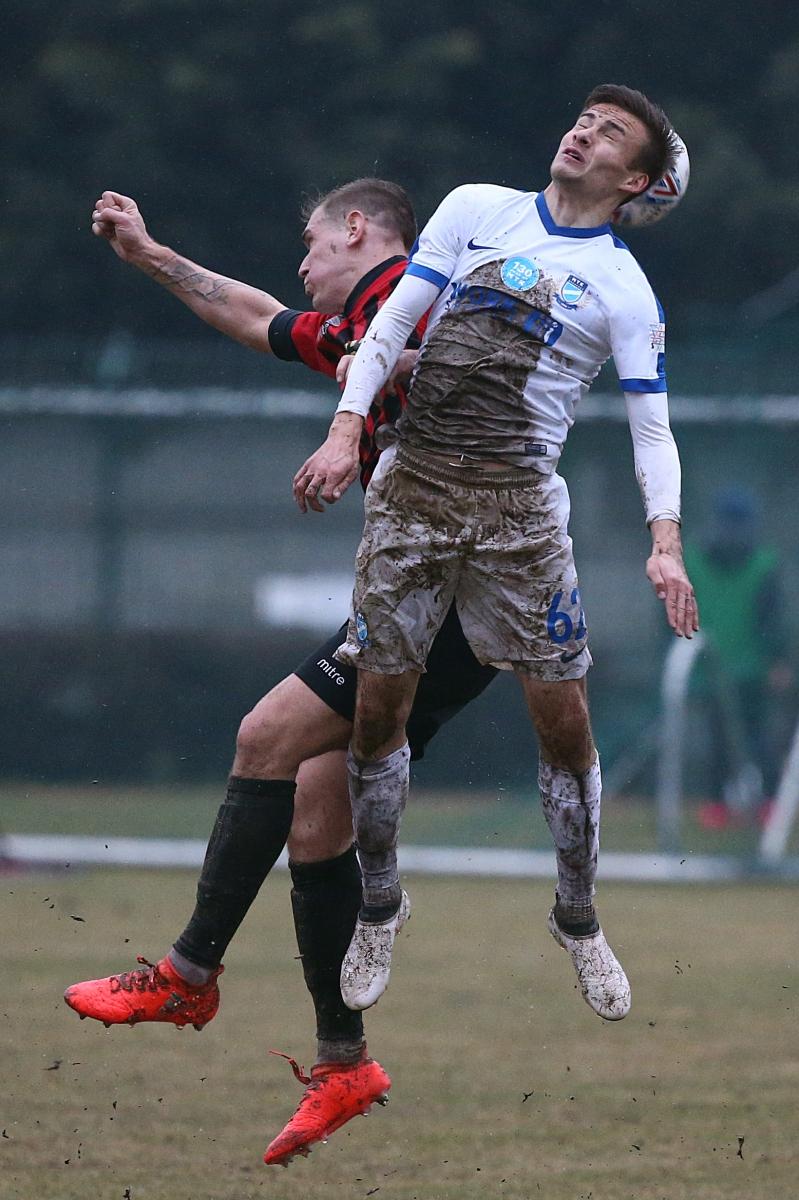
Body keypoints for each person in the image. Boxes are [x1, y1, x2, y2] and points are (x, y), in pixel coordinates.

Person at [63, 178, 501, 1166]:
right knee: (313, 803)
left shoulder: (426, 296)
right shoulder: (358, 324)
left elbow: (491, 369)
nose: (301, 265)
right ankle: (344, 1063)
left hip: (456, 596)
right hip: (428, 600)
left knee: (264, 735)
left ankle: (187, 974)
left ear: (359, 229)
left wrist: (375, 404)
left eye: (311, 243)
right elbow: (253, 313)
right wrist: (151, 255)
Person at [294, 83, 700, 1018]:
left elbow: (652, 429)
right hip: (412, 492)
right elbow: (392, 326)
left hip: (519, 516)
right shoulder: (476, 208)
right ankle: (380, 904)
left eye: (609, 133)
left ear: (633, 181)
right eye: (584, 119)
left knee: (564, 727)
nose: (582, 132)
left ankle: (578, 916)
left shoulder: (624, 289)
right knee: (376, 717)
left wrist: (665, 545)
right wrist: (345, 430)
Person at [684, 486, 792, 828]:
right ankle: (717, 804)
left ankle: (769, 803)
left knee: (761, 738)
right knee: (717, 741)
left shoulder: (763, 565)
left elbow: (773, 620)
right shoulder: (693, 562)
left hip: (753, 671)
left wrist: (777, 662)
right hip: (710, 671)